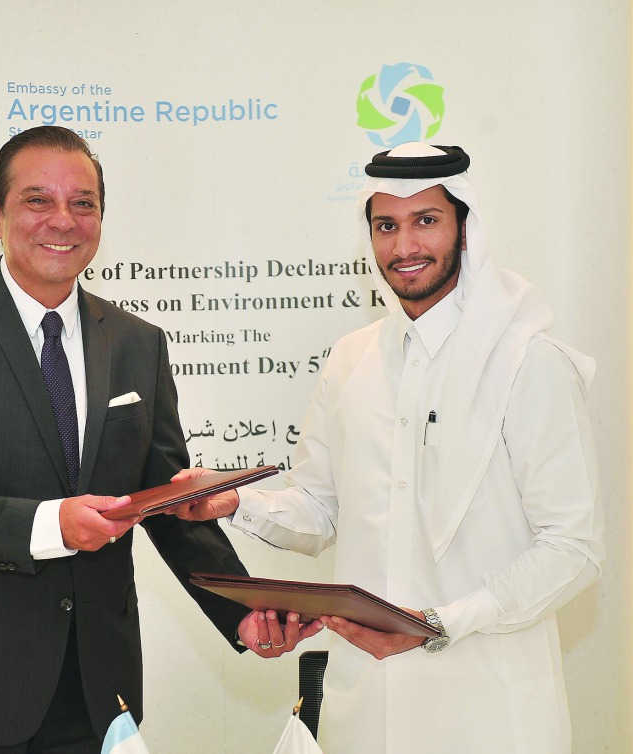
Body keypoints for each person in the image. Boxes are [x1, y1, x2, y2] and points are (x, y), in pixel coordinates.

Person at [0, 125, 318, 753]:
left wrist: (241, 612)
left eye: (83, 203)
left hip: (95, 689)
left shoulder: (139, 344)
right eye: (37, 200)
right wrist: (52, 525)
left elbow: (168, 506)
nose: (63, 220)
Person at [172, 142, 604, 752]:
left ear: (464, 226)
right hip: (367, 712)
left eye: (426, 221)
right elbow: (321, 511)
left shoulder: (528, 363)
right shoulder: (352, 360)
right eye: (386, 226)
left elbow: (573, 549)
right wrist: (234, 504)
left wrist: (440, 626)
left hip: (491, 714)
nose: (404, 247)